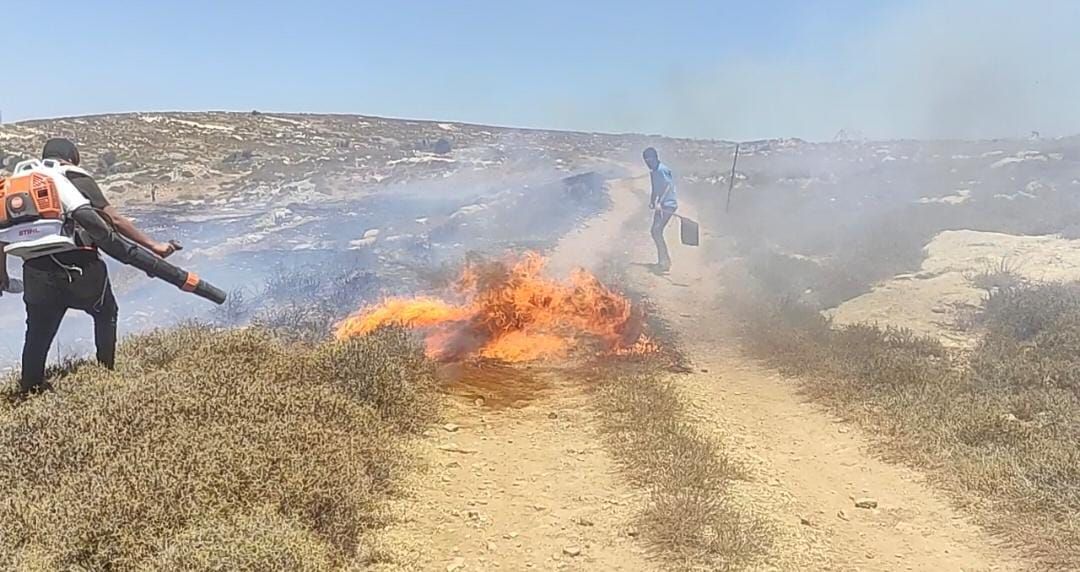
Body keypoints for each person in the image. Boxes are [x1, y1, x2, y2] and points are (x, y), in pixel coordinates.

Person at [0, 138, 178, 395]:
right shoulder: (73, 178)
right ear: (72, 157)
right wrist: (154, 247)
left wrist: (3, 277)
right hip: (80, 266)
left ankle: (29, 390)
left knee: (37, 333)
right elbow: (113, 220)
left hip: (35, 271)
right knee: (106, 313)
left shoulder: (18, 186)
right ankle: (106, 375)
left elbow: (2, 238)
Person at [643, 147, 677, 272]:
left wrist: (660, 202)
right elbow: (655, 188)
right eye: (645, 160)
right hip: (660, 205)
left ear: (655, 158)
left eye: (649, 160)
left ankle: (665, 262)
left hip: (668, 204)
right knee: (655, 231)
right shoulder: (653, 171)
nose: (647, 163)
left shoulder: (662, 170)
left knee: (656, 231)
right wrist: (653, 201)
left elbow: (668, 186)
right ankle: (663, 261)